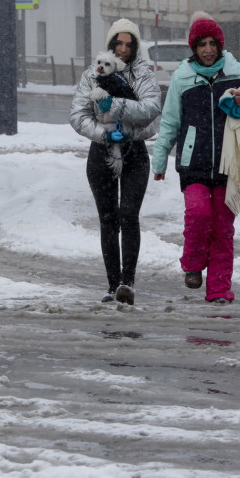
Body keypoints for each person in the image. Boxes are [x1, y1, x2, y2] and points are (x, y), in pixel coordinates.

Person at [151, 13, 240, 304]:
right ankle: (193, 265)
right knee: (198, 215)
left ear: (220, 46)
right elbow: (170, 122)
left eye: (212, 44)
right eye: (201, 45)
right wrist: (159, 161)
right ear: (193, 48)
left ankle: (220, 290)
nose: (208, 50)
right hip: (193, 165)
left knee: (223, 229)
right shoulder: (182, 79)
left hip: (230, 165)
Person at [69, 18, 162, 305]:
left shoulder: (144, 75)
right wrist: (104, 134)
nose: (122, 49)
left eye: (128, 44)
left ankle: (127, 283)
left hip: (134, 153)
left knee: (129, 215)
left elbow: (151, 112)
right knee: (108, 220)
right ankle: (112, 286)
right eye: (118, 43)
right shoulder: (92, 74)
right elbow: (78, 115)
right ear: (110, 44)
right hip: (101, 152)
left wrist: (120, 111)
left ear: (135, 47)